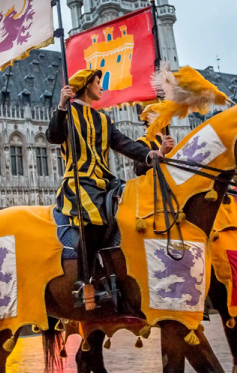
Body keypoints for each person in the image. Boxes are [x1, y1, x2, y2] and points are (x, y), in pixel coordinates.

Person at [47, 69, 158, 293]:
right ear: (87, 85)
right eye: (98, 82)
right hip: (79, 182)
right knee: (96, 218)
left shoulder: (103, 119)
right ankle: (83, 279)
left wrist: (148, 154)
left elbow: (123, 143)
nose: (101, 87)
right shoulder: (67, 114)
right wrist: (61, 107)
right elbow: (54, 137)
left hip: (105, 182)